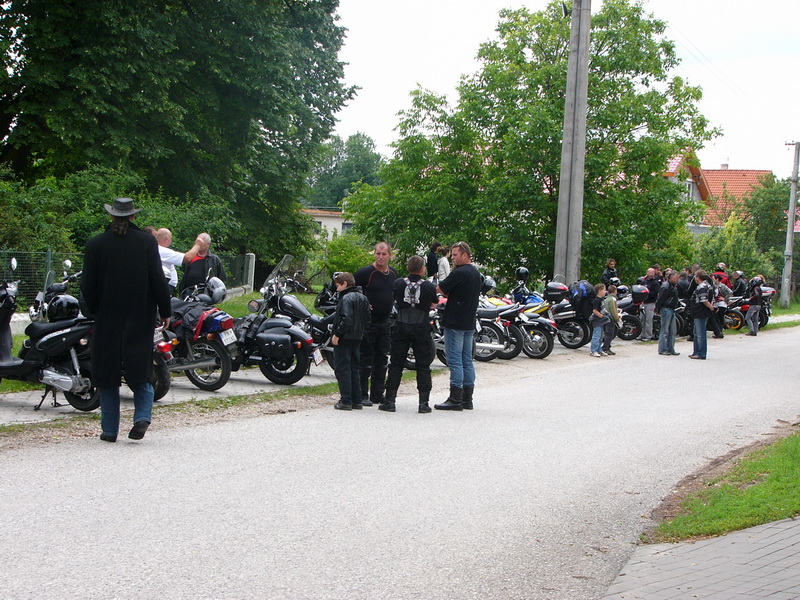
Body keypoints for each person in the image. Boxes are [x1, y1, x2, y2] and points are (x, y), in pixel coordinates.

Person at [80, 198, 172, 442]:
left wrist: (95, 309)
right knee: (140, 368)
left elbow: (87, 285)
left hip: (107, 316)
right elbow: (158, 279)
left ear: (111, 216)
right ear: (133, 217)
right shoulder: (147, 242)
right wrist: (165, 310)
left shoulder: (96, 244)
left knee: (107, 373)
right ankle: (141, 417)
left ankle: (110, 431)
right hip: (139, 315)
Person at [381, 256, 438, 413]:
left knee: (396, 363)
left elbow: (393, 299)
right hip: (421, 327)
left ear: (408, 268)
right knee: (423, 365)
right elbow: (434, 304)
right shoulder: (428, 286)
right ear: (422, 269)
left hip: (401, 325)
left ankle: (390, 401)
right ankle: (423, 403)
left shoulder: (398, 283)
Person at [434, 241, 482, 411]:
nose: (452, 258)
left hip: (455, 321)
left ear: (465, 255)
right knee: (467, 360)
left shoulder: (459, 273)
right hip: (469, 321)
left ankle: (455, 398)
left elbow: (440, 288)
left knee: (454, 361)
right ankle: (467, 398)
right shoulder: (476, 273)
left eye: (455, 255)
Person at [354, 242, 397, 406]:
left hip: (385, 322)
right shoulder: (366, 273)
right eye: (378, 254)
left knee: (381, 360)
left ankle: (377, 394)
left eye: (384, 254)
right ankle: (361, 394)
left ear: (389, 256)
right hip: (368, 323)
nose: (380, 257)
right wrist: (362, 302)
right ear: (374, 254)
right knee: (365, 359)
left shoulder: (393, 273)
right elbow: (348, 288)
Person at [331, 272, 371, 410]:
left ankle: (346, 400)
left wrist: (337, 334)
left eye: (338, 286)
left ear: (345, 284)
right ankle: (357, 400)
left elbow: (346, 319)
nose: (337, 289)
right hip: (357, 337)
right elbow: (368, 319)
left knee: (343, 369)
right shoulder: (363, 298)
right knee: (354, 368)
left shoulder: (346, 298)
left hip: (345, 338)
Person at [155, 228, 206, 294]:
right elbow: (187, 258)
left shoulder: (156, 249)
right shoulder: (162, 251)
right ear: (167, 239)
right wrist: (197, 245)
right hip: (165, 285)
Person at [687, 270, 714, 360]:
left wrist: (711, 308)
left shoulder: (702, 287)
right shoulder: (708, 285)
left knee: (700, 334)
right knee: (696, 333)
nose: (694, 278)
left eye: (695, 276)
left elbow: (704, 300)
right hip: (699, 312)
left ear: (698, 277)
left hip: (700, 312)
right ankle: (696, 352)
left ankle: (701, 353)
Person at [655, 269, 680, 356]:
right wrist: (657, 309)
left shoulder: (673, 286)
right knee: (665, 330)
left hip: (672, 309)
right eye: (676, 278)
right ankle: (662, 349)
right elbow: (660, 298)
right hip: (666, 309)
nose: (677, 279)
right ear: (671, 277)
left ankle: (670, 349)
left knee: (672, 331)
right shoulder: (666, 286)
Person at [636, 268, 660, 341]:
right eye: (649, 273)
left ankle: (648, 336)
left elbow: (655, 293)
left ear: (654, 274)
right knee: (641, 319)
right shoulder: (644, 282)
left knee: (648, 320)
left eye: (652, 273)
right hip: (643, 302)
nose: (650, 274)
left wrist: (647, 293)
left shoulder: (655, 283)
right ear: (647, 273)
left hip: (650, 303)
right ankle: (642, 334)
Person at [589, 283, 610, 357]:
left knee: (601, 336)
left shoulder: (602, 300)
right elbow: (595, 311)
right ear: (599, 291)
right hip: (597, 320)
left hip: (601, 321)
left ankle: (599, 349)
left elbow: (602, 309)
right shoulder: (597, 300)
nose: (605, 291)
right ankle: (594, 350)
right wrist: (602, 316)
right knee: (596, 336)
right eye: (604, 290)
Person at [601, 284, 621, 356]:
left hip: (605, 318)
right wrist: (617, 319)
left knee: (608, 334)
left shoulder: (606, 299)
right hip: (610, 318)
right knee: (610, 334)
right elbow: (613, 310)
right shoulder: (613, 299)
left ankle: (607, 347)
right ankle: (605, 348)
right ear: (615, 291)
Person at [711, 273, 732, 338]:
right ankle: (718, 332)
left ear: (717, 279)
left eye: (713, 278)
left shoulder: (722, 286)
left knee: (720, 318)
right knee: (715, 318)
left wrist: (725, 298)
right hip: (715, 303)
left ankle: (720, 331)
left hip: (721, 303)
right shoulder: (712, 286)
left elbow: (730, 292)